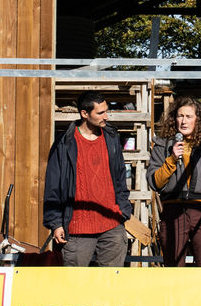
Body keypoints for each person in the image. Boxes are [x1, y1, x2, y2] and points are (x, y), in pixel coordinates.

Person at [43, 92, 134, 267]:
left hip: (112, 225)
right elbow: (53, 186)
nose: (106, 116)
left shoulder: (111, 138)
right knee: (75, 281)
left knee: (112, 280)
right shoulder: (65, 142)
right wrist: (55, 223)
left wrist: (122, 210)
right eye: (100, 113)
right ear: (84, 113)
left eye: (106, 111)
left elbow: (120, 177)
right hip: (77, 229)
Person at [150, 97, 201, 267]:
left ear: (197, 120)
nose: (184, 121)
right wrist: (172, 159)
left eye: (188, 116)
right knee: (174, 267)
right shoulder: (162, 147)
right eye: (180, 116)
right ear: (174, 119)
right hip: (173, 212)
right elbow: (156, 183)